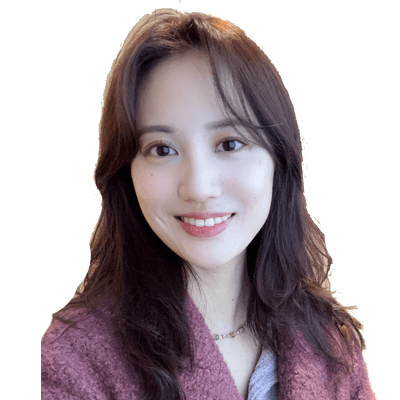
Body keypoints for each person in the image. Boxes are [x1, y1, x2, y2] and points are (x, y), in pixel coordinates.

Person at [41, 8, 376, 400]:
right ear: (126, 174)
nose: (199, 188)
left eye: (229, 143)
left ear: (278, 159)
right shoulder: (71, 360)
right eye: (161, 149)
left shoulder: (331, 346)